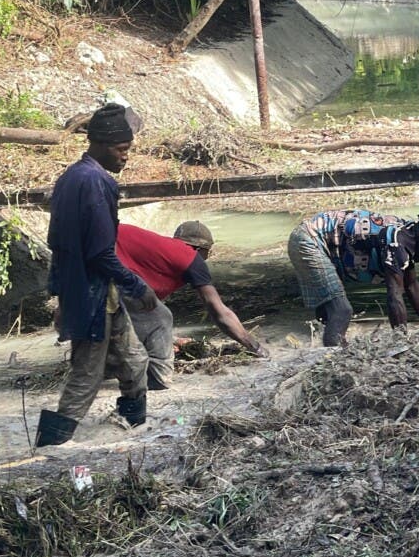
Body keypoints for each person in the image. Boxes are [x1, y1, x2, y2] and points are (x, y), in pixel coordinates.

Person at [37, 103, 159, 447]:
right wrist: (137, 284)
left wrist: (59, 292)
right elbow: (101, 253)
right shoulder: (98, 183)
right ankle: (51, 448)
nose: (125, 158)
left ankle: (133, 431)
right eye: (122, 150)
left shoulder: (70, 177)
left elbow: (57, 241)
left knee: (135, 359)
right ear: (102, 146)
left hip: (95, 291)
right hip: (92, 293)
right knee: (86, 376)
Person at [115, 221, 268, 390]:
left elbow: (136, 318)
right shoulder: (189, 256)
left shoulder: (159, 254)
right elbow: (220, 313)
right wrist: (254, 346)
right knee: (161, 317)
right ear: (198, 249)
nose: (205, 260)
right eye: (206, 254)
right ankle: (158, 379)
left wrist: (170, 340)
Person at [288, 206, 419, 346]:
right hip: (310, 240)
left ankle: (321, 347)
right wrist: (402, 341)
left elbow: (411, 285)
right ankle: (331, 360)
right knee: (342, 311)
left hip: (313, 239)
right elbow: (395, 295)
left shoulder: (408, 233)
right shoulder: (396, 243)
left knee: (329, 313)